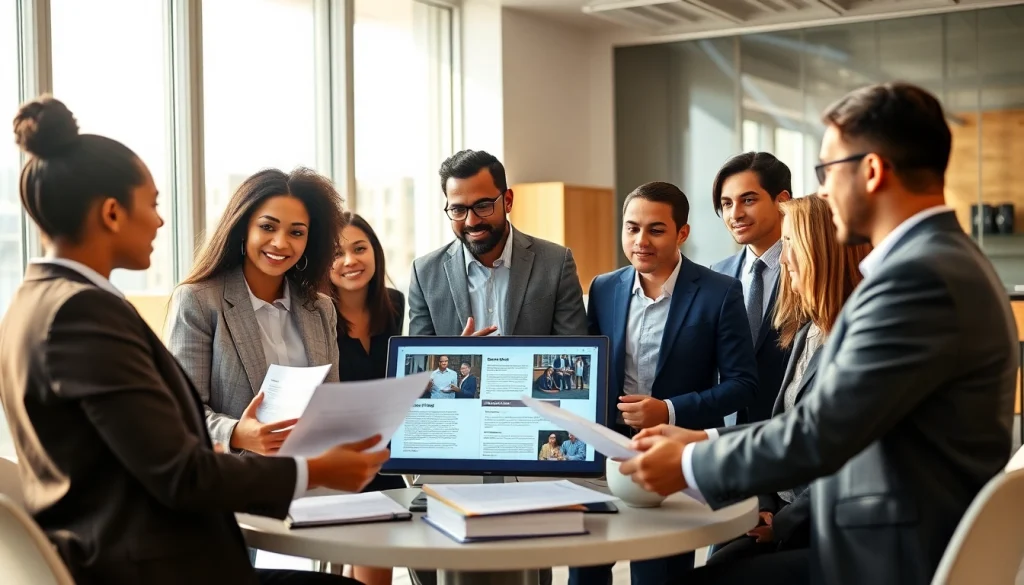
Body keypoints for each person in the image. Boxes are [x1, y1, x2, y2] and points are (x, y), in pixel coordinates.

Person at [621, 82, 1018, 585]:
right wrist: (700, 435)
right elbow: (820, 419)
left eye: (826, 171)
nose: (823, 192)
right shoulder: (938, 262)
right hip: (886, 537)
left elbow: (820, 432)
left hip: (887, 556)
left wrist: (693, 461)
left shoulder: (920, 278)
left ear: (872, 171)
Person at [0, 95, 386, 585]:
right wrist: (313, 471)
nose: (160, 221)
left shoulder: (36, 301)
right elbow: (182, 475)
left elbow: (149, 447)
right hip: (159, 566)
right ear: (113, 213)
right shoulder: (82, 313)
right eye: (153, 204)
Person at [569, 181, 758, 585]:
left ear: (682, 233)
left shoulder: (720, 293)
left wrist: (668, 410)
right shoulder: (603, 288)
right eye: (631, 228)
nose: (640, 241)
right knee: (585, 572)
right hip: (604, 457)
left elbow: (743, 384)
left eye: (655, 229)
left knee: (660, 576)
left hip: (672, 459)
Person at [698, 195, 871, 579]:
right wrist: (765, 502)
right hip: (782, 511)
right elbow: (779, 425)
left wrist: (782, 523)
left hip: (823, 530)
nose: (784, 257)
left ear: (822, 251)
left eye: (791, 242)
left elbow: (838, 458)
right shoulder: (808, 330)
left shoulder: (854, 341)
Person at [167, 167, 344, 457]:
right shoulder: (199, 301)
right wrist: (237, 434)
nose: (280, 243)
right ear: (243, 228)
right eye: (268, 227)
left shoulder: (321, 308)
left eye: (296, 232)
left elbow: (330, 403)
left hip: (311, 478)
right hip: (235, 484)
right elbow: (181, 411)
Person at [407, 150, 588, 338]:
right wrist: (459, 357)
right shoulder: (425, 274)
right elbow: (417, 366)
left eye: (483, 206)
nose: (471, 222)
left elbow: (576, 353)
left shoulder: (556, 264)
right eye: (458, 209)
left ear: (508, 201)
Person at [323, 212, 403, 585]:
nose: (350, 261)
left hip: (398, 446)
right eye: (337, 253)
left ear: (376, 252)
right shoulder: (314, 315)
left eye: (360, 249)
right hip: (343, 452)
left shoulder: (398, 305)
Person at [711, 152, 793, 424]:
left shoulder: (809, 271)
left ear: (782, 201)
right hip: (725, 430)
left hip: (788, 427)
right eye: (726, 203)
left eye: (748, 200)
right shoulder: (716, 274)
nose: (735, 214)